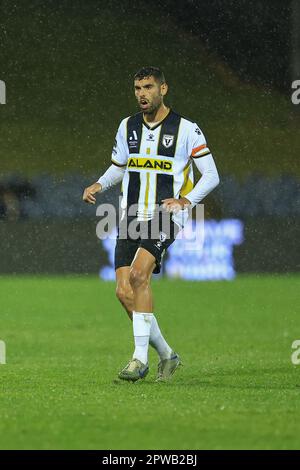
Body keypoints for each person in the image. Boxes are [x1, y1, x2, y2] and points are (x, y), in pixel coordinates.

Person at [83, 66, 220, 382]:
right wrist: (99, 185)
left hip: (165, 215)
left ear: (163, 89)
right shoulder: (127, 126)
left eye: (147, 87)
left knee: (138, 275)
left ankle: (139, 359)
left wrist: (186, 201)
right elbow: (120, 167)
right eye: (137, 88)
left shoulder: (186, 130)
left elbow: (211, 175)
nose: (141, 94)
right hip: (130, 214)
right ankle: (168, 356)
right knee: (123, 291)